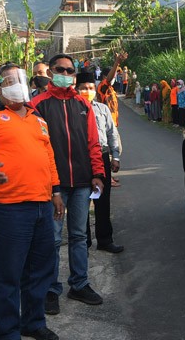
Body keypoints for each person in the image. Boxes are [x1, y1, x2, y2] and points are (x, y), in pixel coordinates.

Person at [0, 64, 63, 340]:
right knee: (8, 273)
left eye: (19, 78)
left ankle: (34, 322)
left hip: (43, 205)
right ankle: (7, 331)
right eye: (9, 80)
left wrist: (55, 192)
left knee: (40, 269)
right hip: (9, 208)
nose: (17, 84)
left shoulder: (37, 117)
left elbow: (49, 157)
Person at [32, 54, 106, 315]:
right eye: (60, 69)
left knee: (79, 236)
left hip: (83, 182)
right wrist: (52, 186)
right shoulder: (38, 105)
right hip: (55, 185)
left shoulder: (81, 104)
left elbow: (93, 142)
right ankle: (51, 289)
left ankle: (79, 284)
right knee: (51, 238)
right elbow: (36, 148)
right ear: (51, 72)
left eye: (70, 70)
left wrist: (98, 173)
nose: (65, 73)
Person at [76, 70, 124, 254]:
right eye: (83, 88)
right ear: (76, 89)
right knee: (82, 201)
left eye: (90, 88)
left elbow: (112, 134)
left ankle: (105, 240)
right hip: (82, 159)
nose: (87, 91)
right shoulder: (73, 109)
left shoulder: (102, 109)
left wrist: (115, 157)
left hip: (102, 157)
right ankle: (84, 242)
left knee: (103, 201)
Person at [97, 51, 127, 127]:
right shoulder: (102, 86)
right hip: (106, 124)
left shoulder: (110, 88)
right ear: (104, 76)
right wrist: (116, 62)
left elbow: (118, 71)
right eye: (112, 76)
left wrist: (117, 62)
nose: (114, 78)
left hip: (113, 124)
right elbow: (109, 79)